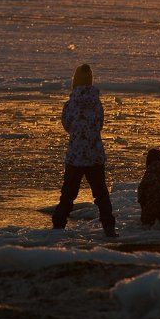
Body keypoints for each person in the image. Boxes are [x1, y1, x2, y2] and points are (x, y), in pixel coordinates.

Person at [52, 64, 118, 237]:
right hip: (94, 155)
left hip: (75, 156)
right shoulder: (97, 104)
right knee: (101, 195)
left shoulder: (70, 104)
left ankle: (58, 227)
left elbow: (67, 125)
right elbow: (99, 125)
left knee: (67, 195)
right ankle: (109, 228)